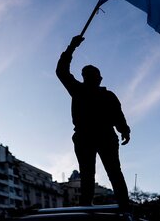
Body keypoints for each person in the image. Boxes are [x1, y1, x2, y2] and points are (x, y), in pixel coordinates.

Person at [56, 35, 131, 209]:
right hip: (87, 136)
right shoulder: (80, 90)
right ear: (90, 77)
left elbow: (118, 115)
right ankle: (89, 207)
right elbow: (62, 72)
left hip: (100, 136)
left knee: (107, 173)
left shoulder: (105, 95)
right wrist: (71, 48)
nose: (97, 78)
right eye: (93, 75)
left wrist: (124, 129)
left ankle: (121, 206)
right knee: (92, 174)